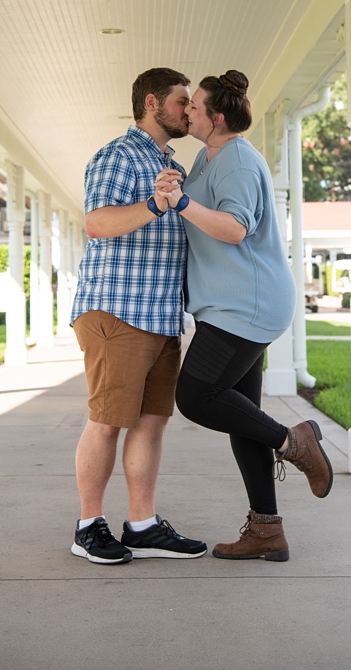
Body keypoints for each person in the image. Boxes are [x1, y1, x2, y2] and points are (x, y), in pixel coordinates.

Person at [162, 70, 333, 562]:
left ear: (216, 117)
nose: (189, 110)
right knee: (243, 418)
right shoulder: (208, 155)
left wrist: (182, 201)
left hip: (245, 305)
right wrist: (177, 190)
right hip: (235, 302)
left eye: (195, 105)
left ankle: (294, 441)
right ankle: (267, 531)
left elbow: (235, 228)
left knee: (196, 397)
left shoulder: (236, 160)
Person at [69, 68, 207, 564]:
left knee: (150, 422)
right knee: (107, 422)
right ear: (153, 103)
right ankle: (88, 526)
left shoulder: (169, 163)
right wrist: (154, 203)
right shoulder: (119, 155)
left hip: (161, 316)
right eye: (181, 101)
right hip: (118, 311)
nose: (188, 109)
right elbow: (96, 221)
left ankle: (143, 525)